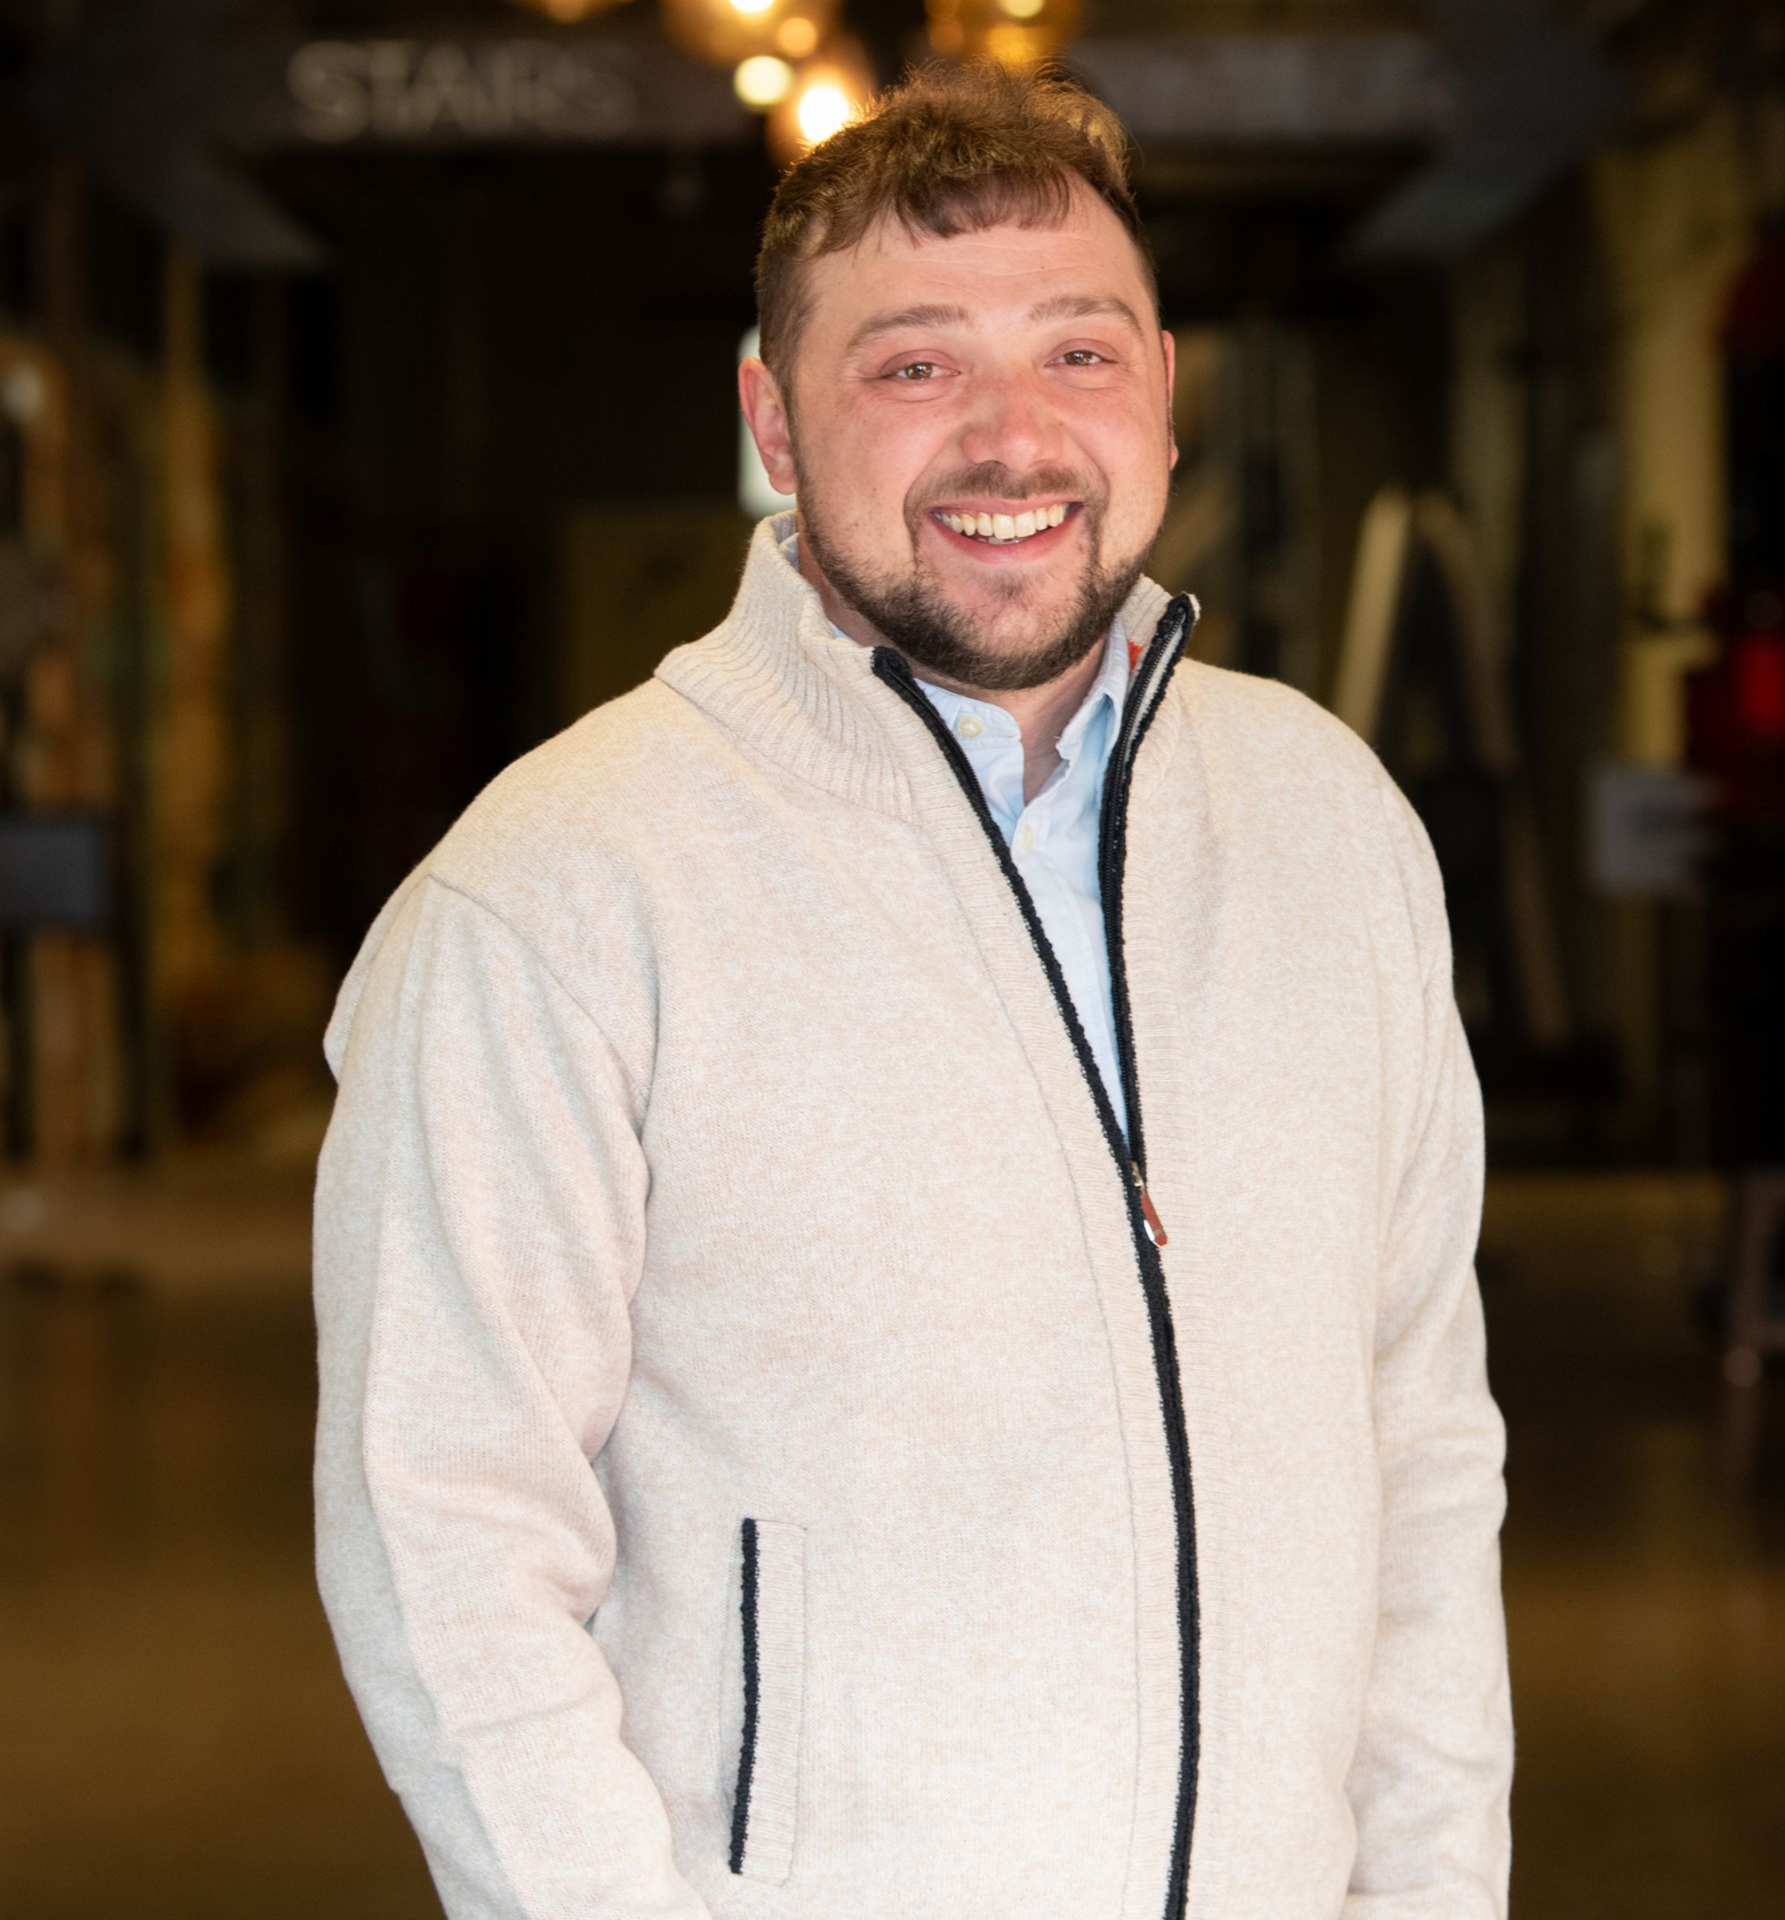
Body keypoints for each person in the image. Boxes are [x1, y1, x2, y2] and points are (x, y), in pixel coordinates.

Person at [313, 61, 1512, 1920]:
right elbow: (440, 1543)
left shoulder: (1329, 829)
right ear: (773, 421)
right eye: (914, 363)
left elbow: (1422, 1449)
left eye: (1080, 354)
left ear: (1166, 397)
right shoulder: (555, 898)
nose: (1014, 438)